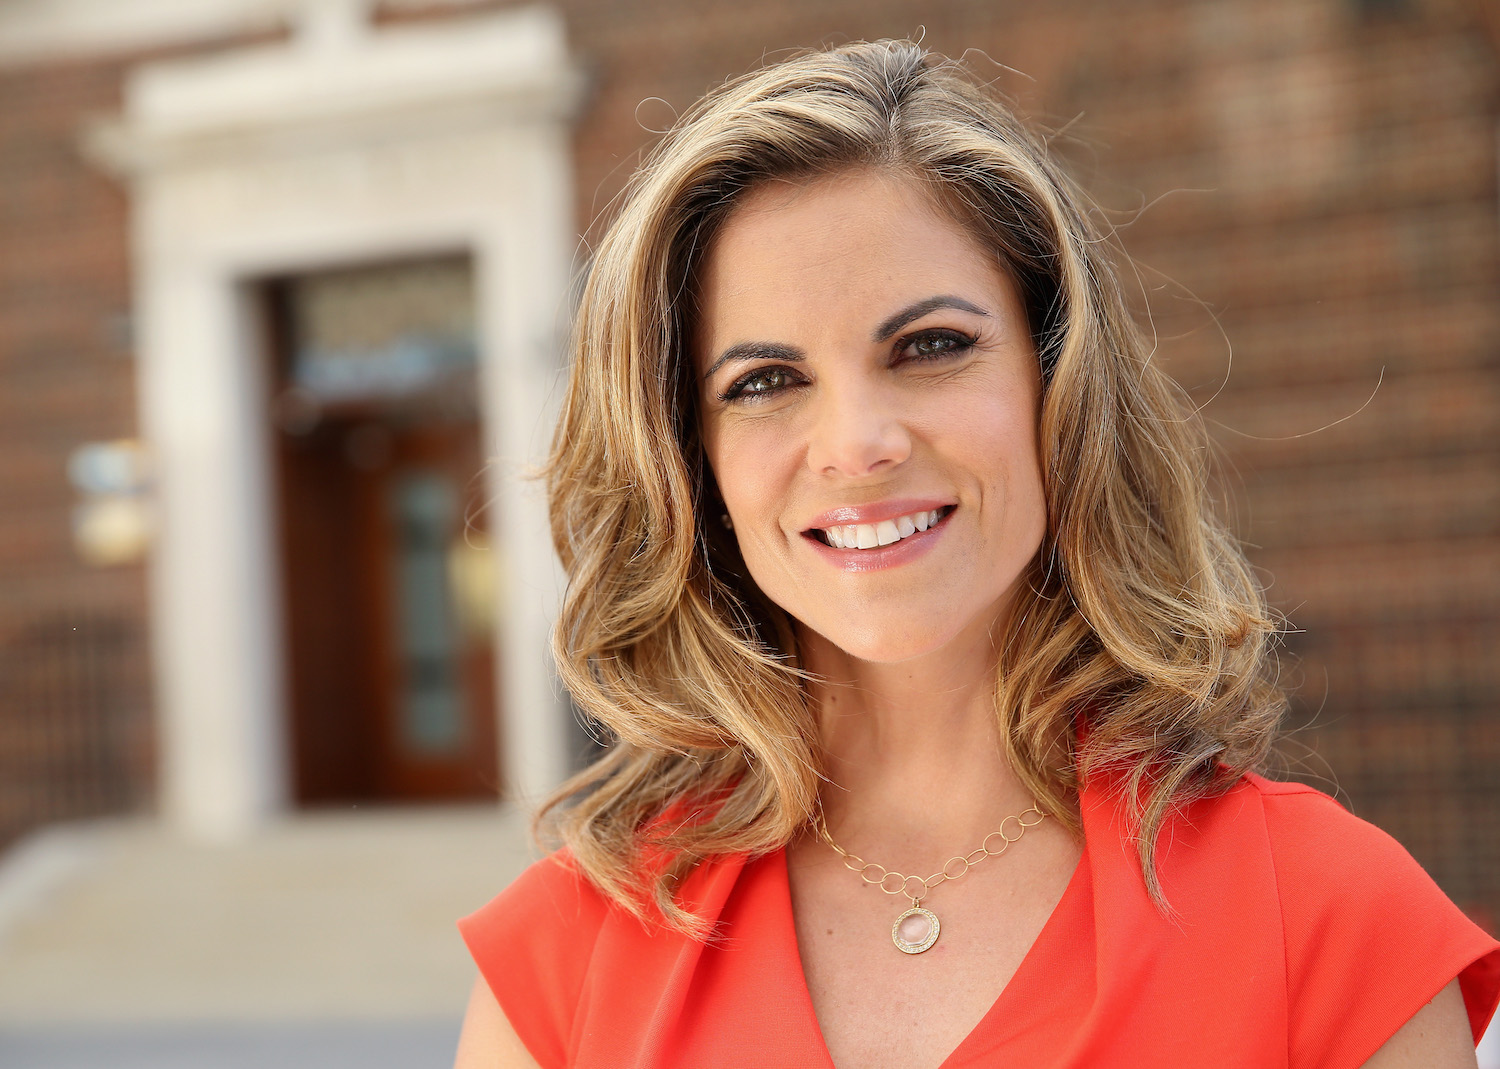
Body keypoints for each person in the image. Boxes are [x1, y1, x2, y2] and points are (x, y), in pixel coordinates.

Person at [455, 39, 1500, 1068]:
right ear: (695, 464)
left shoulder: (1326, 916)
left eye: (931, 347)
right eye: (765, 381)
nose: (858, 442)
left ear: (1058, 390)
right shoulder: (569, 956)